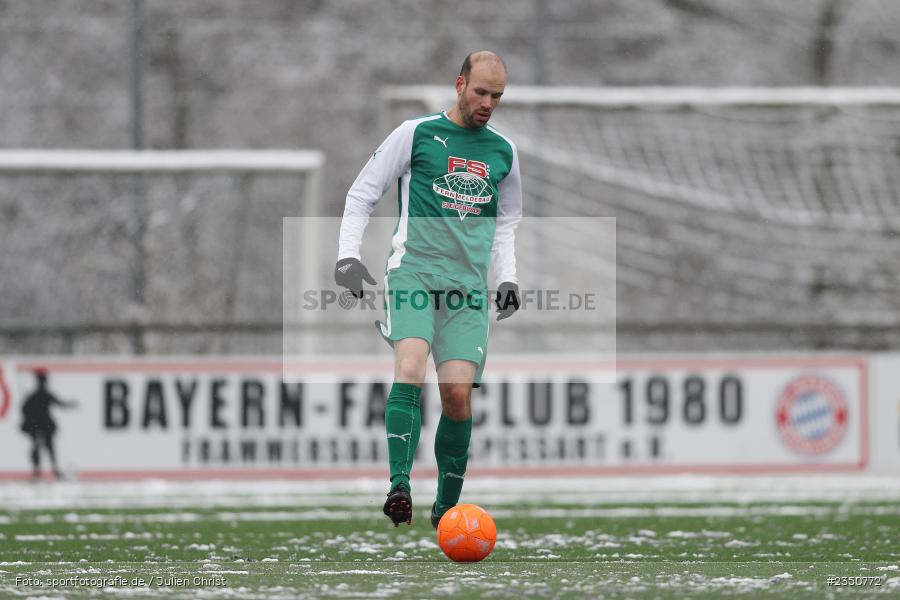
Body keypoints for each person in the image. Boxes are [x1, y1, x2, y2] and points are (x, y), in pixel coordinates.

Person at [335, 51, 523, 528]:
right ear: (459, 84)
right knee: (412, 368)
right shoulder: (415, 133)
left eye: (496, 96)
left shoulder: (503, 151)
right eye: (480, 92)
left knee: (457, 396)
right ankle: (399, 486)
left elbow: (505, 224)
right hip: (414, 273)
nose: (487, 103)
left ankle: (446, 509)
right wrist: (347, 256)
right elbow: (362, 194)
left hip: (467, 289)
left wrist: (507, 278)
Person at [20, 370, 77, 480]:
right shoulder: (37, 395)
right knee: (41, 449)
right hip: (40, 425)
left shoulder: (35, 395)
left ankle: (47, 471)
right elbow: (25, 410)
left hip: (42, 425)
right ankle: (40, 471)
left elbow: (60, 404)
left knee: (45, 448)